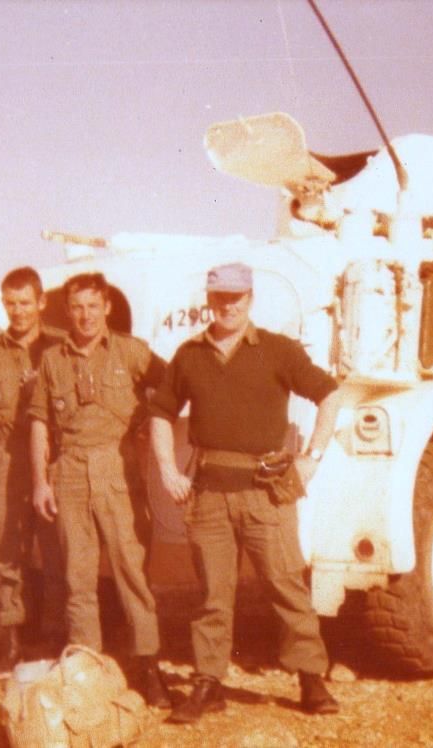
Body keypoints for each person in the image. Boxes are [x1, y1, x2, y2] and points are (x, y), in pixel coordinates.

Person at [149, 262, 340, 723]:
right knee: (213, 596)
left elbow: (329, 394)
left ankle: (310, 677)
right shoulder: (189, 355)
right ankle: (209, 682)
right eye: (220, 297)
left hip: (265, 492)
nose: (228, 305)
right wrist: (168, 469)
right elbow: (160, 413)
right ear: (209, 300)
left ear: (250, 299)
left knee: (286, 585)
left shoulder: (277, 350)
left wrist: (312, 457)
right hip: (209, 494)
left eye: (236, 297)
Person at [28, 271, 170, 708]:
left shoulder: (131, 351)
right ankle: (87, 670)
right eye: (77, 307)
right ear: (67, 311)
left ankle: (148, 668)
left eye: (93, 306)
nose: (85, 315)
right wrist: (40, 481)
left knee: (132, 571)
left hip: (117, 469)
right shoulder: (52, 360)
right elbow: (39, 421)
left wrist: (149, 421)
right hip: (69, 471)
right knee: (79, 576)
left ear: (107, 307)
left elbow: (172, 388)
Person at [0, 266, 66, 682]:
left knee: (58, 553)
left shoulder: (60, 347)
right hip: (6, 461)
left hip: (52, 460)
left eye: (26, 303)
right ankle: (13, 646)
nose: (18, 311)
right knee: (10, 556)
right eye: (10, 304)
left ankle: (59, 639)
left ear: (41, 302)